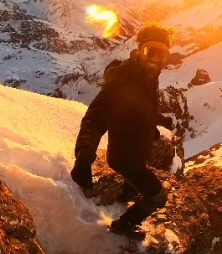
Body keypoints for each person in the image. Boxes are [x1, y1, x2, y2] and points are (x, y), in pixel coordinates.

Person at [71, 24, 174, 235]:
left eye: (161, 54)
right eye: (150, 51)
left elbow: (141, 106)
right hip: (125, 159)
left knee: (137, 180)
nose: (155, 59)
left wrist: (157, 122)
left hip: (137, 151)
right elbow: (95, 119)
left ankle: (130, 191)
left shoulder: (147, 76)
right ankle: (124, 225)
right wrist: (83, 158)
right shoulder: (122, 82)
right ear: (139, 49)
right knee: (159, 198)